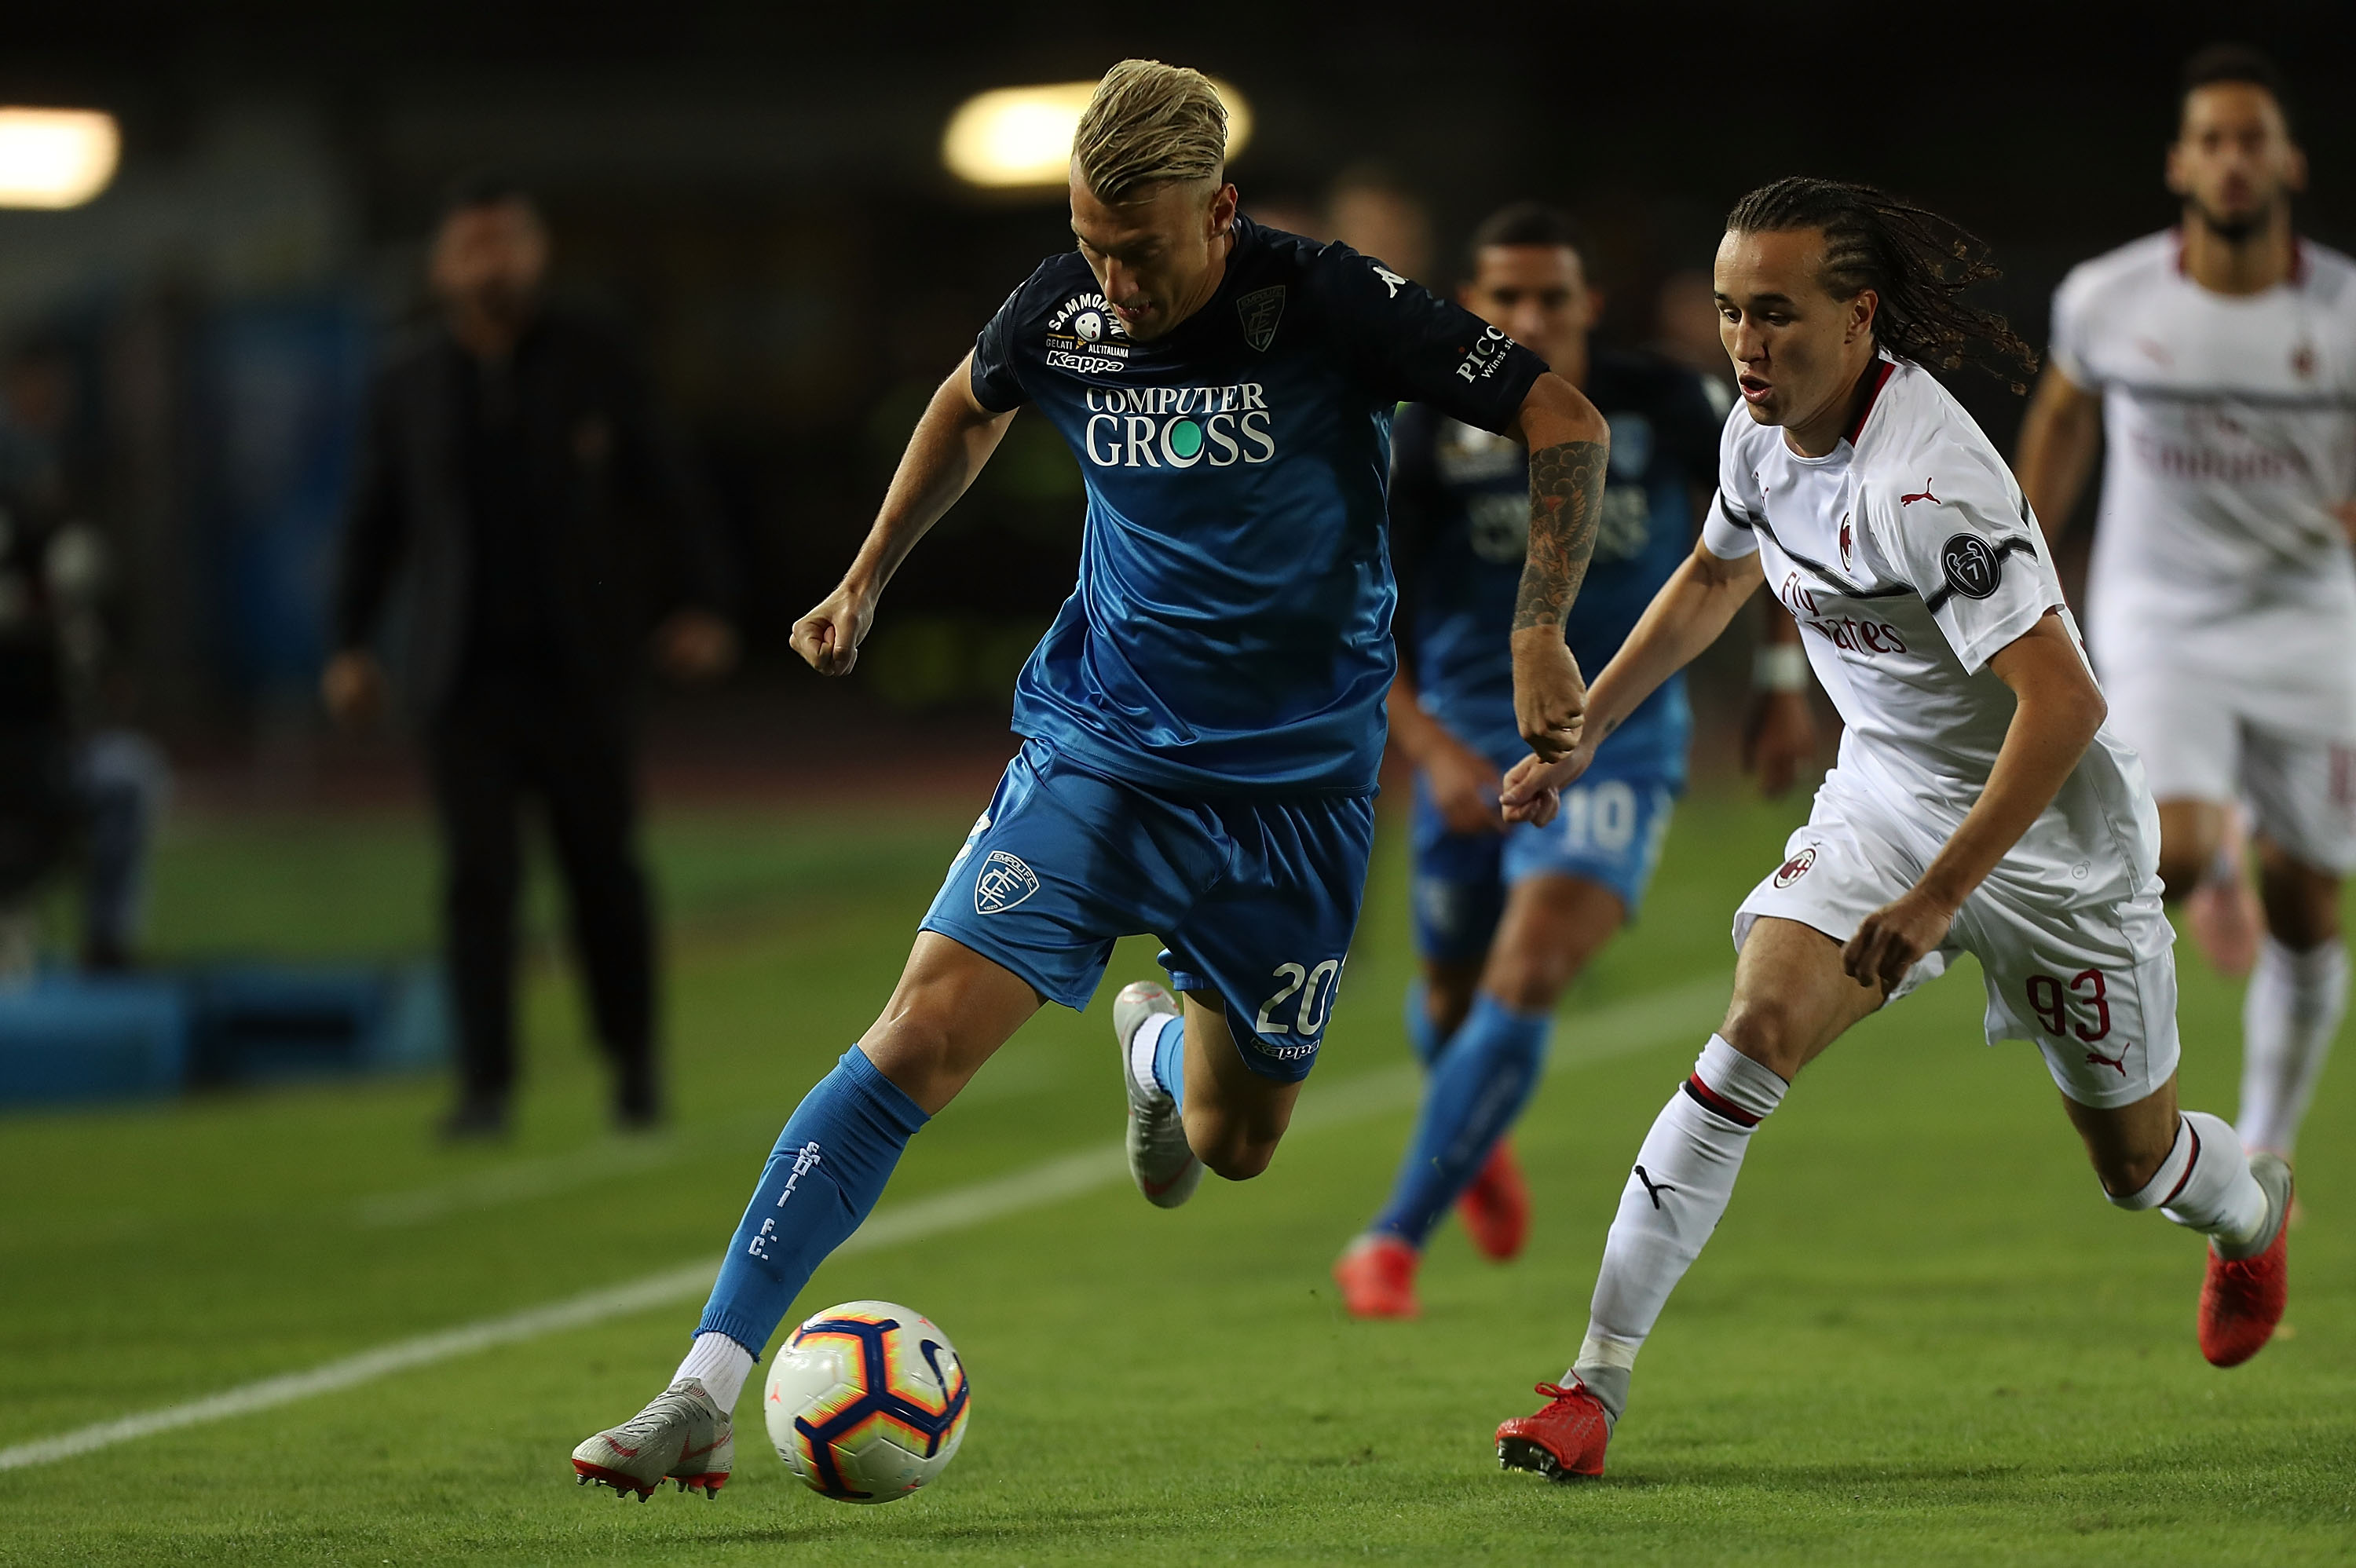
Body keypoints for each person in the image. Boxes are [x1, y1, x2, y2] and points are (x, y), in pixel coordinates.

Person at [569, 59, 1609, 1500]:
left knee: (1236, 1144)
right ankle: (702, 1386)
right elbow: (965, 404)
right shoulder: (1058, 307)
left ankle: (1158, 1052)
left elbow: (1565, 420)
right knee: (916, 1035)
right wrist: (868, 576)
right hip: (1100, 752)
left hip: (1296, 798)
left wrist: (1539, 629)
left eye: (1142, 248)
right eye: (1091, 241)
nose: (1110, 278)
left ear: (1223, 214)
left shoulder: (1327, 305)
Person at [1490, 177, 2294, 1483]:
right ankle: (1591, 1385)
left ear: (1859, 315)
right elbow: (1710, 577)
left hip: (2051, 842)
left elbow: (2065, 703)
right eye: (1730, 313)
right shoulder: (1759, 432)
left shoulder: (1931, 482)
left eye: (1780, 315)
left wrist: (1935, 900)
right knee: (1752, 1033)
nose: (1748, 344)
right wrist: (1580, 732)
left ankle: (2253, 1211)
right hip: (1884, 797)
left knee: (2137, 1166)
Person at [1331, 203, 1792, 1317]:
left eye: (1550, 298)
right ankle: (1474, 1133)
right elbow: (1352, 619)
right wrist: (1434, 752)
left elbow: (1775, 515)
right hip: (1462, 740)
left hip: (1617, 737)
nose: (1529, 317)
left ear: (1588, 304)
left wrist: (1784, 685)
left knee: (1528, 970)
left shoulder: (1665, 401)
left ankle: (1392, 1238)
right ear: (1474, 310)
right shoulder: (1423, 435)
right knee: (1448, 999)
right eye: (1505, 300)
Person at [325, 174, 737, 1140]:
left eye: (508, 242)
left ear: (538, 252)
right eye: (473, 246)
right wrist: (348, 642)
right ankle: (484, 1085)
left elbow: (669, 483)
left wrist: (705, 603)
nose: (492, 264)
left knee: (604, 871)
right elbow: (371, 525)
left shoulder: (596, 357)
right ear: (441, 265)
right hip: (460, 674)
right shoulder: (409, 380)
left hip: (581, 668)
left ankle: (634, 1070)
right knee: (478, 882)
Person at [2014, 44, 2355, 1166]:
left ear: (2289, 160)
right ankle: (2155, 1123)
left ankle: (2267, 1145)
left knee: (2309, 905)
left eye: (2252, 138)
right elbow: (2064, 418)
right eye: (2212, 140)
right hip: (2161, 610)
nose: (2233, 160)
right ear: (2180, 164)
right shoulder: (2112, 299)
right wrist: (2022, 558)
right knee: (2178, 857)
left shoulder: (2344, 313)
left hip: (2309, 615)